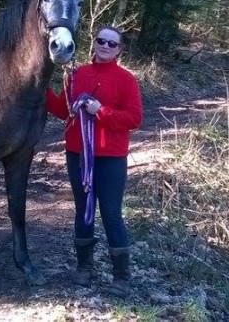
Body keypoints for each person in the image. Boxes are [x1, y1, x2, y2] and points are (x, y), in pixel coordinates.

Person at [45, 25, 143, 297]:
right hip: (77, 154)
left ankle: (121, 275)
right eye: (101, 41)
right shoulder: (77, 75)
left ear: (119, 50)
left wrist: (102, 111)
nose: (105, 46)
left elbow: (134, 119)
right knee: (83, 210)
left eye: (112, 44)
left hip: (110, 158)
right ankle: (84, 267)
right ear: (94, 43)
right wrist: (40, 88)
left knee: (111, 213)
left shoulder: (126, 80)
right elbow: (63, 110)